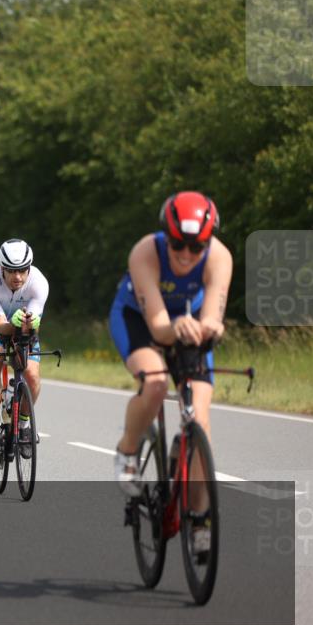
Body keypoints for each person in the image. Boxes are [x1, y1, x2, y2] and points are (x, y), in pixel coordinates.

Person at [109, 192, 231, 518]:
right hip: (140, 320)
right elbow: (160, 328)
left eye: (197, 246)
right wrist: (180, 326)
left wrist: (212, 329)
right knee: (156, 384)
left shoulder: (219, 257)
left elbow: (212, 316)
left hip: (187, 323)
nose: (187, 254)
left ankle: (199, 521)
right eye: (178, 244)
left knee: (200, 422)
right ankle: (128, 450)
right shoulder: (145, 252)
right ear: (166, 236)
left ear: (208, 243)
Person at [0, 239, 49, 458]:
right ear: (1, 269)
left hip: (22, 324)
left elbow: (29, 326)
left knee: (32, 375)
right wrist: (14, 324)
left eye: (22, 271)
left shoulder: (39, 283)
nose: (18, 277)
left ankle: (24, 427)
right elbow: (1, 326)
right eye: (11, 271)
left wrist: (24, 325)